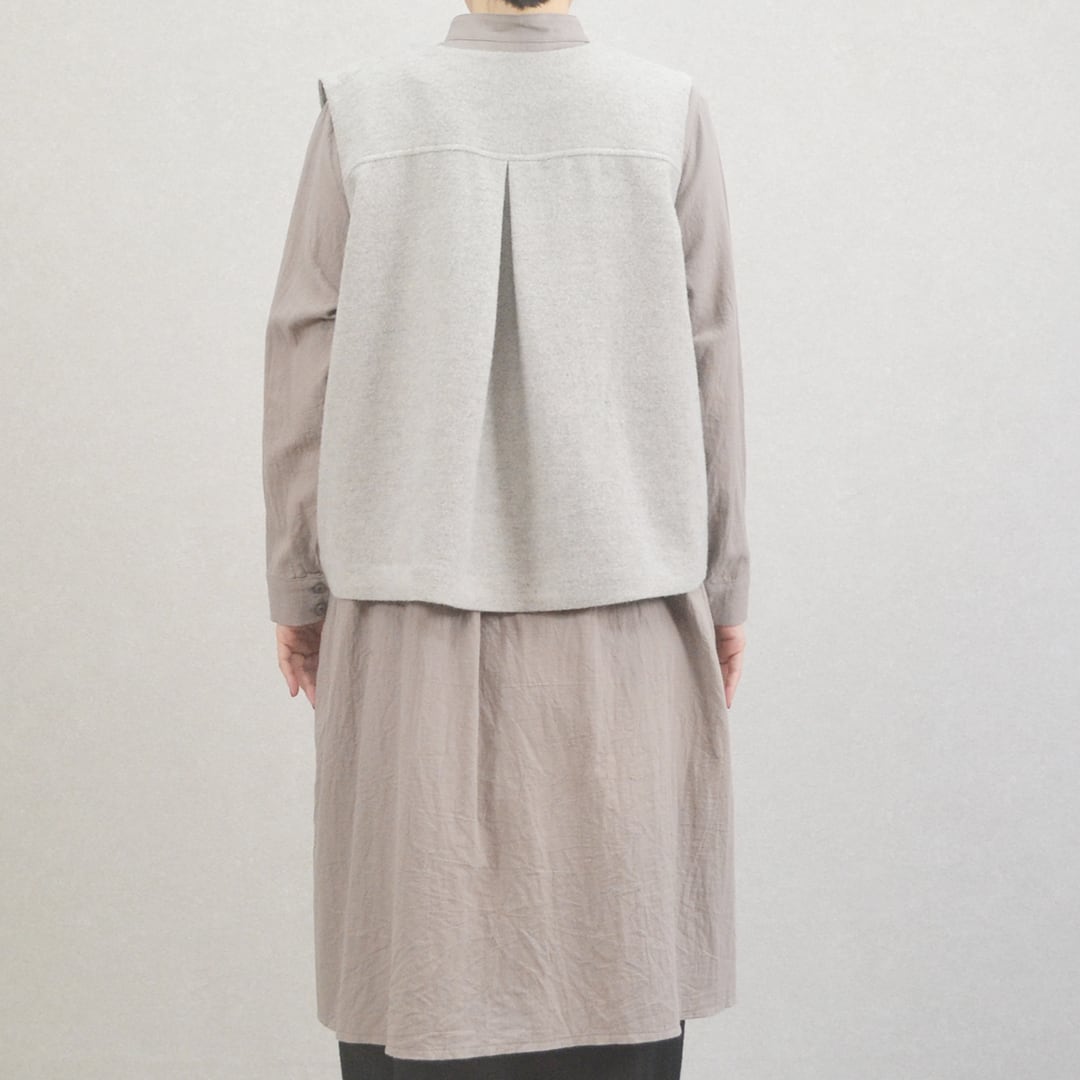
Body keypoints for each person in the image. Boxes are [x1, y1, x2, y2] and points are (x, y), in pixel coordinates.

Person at [262, 1, 750, 1076]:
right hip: (624, 603)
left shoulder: (365, 109)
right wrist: (724, 584)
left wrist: (297, 584)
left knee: (412, 969)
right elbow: (710, 349)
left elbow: (305, 348)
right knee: (619, 968)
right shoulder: (665, 110)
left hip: (405, 606)